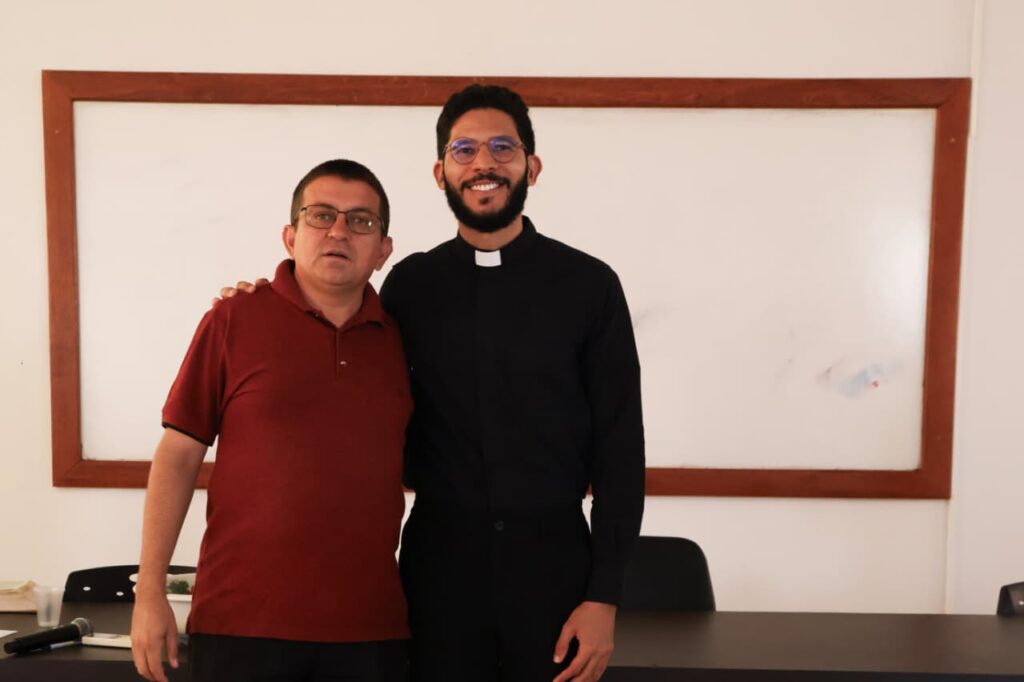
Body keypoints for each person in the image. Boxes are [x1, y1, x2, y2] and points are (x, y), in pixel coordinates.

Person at [225, 85, 645, 682]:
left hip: (554, 571)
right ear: (440, 172)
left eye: (502, 147)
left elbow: (621, 452)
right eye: (464, 149)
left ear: (532, 167)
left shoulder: (589, 286)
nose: (483, 163)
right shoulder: (410, 285)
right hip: (438, 573)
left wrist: (604, 596)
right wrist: (261, 297)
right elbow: (332, 324)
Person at [131, 159, 411, 682]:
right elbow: (178, 455)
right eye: (321, 215)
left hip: (371, 632)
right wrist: (150, 593)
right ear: (290, 236)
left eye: (361, 221)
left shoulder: (404, 341)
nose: (339, 231)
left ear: (383, 250)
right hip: (241, 626)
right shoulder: (232, 318)